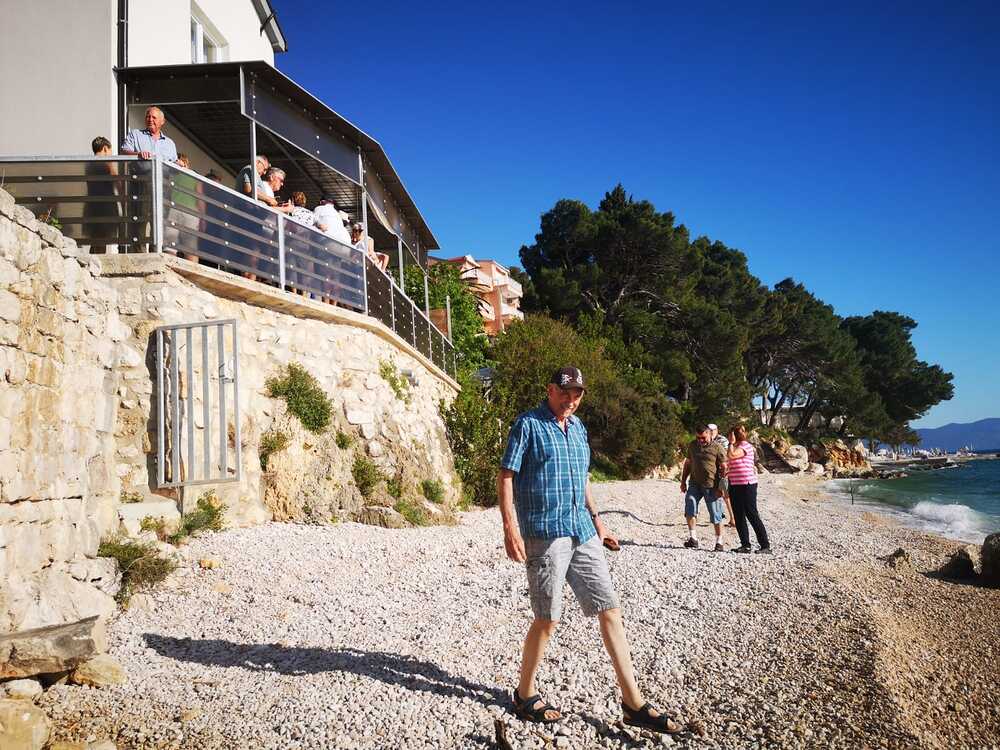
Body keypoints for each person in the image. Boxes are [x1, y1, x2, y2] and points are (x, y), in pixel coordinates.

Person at [499, 367, 680, 734]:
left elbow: (581, 479)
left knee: (609, 608)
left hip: (581, 529)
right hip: (545, 532)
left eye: (577, 394)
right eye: (565, 392)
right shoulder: (528, 425)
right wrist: (509, 528)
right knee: (547, 618)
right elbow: (506, 475)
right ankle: (524, 694)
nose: (571, 400)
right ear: (550, 390)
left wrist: (599, 522)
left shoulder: (579, 428)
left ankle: (633, 703)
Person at [680, 425, 727, 551]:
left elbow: (724, 467)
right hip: (694, 483)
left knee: (715, 514)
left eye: (703, 438)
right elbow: (688, 463)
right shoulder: (692, 445)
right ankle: (693, 538)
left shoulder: (717, 447)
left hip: (712, 485)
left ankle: (719, 542)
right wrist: (683, 481)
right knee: (690, 506)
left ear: (710, 434)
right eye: (698, 437)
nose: (700, 440)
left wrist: (722, 487)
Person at [726, 425, 771, 554]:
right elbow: (731, 461)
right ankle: (745, 545)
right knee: (738, 515)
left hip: (747, 484)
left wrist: (730, 443)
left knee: (752, 514)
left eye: (731, 435)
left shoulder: (745, 446)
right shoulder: (734, 447)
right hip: (734, 483)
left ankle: (765, 545)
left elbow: (732, 455)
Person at [83, 136, 120, 254]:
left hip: (92, 206)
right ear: (105, 148)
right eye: (110, 151)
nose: (111, 154)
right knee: (102, 239)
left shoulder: (88, 164)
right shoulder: (106, 163)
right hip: (105, 206)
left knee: (95, 240)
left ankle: (91, 262)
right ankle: (97, 263)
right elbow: (117, 182)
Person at [709, 423, 736, 529]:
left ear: (717, 430)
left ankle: (733, 519)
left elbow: (725, 455)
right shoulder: (707, 440)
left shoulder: (722, 440)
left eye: (713, 430)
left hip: (723, 472)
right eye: (709, 430)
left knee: (726, 496)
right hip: (713, 472)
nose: (711, 432)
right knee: (716, 494)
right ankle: (720, 514)